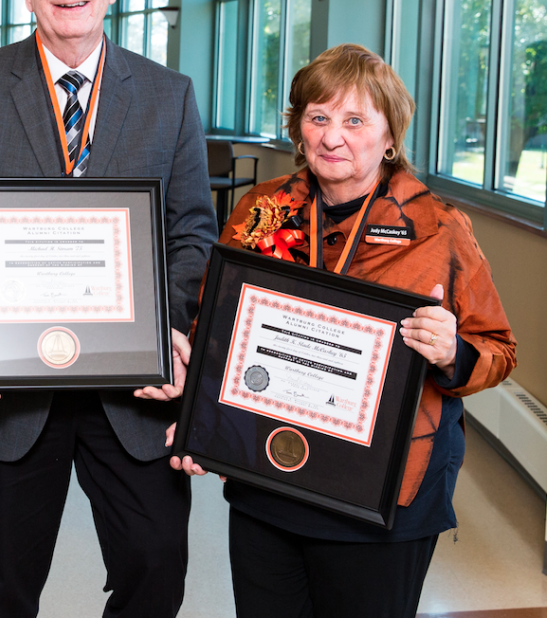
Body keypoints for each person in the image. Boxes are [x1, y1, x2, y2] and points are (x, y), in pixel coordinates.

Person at [0, 0, 217, 618]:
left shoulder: (168, 95)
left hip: (133, 394)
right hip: (8, 393)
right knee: (3, 587)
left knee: (156, 568)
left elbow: (193, 235)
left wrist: (160, 331)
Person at [168, 43, 517, 618]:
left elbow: (498, 349)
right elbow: (215, 328)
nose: (333, 137)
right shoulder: (261, 210)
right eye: (318, 117)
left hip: (382, 493)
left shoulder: (439, 228)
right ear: (299, 129)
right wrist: (198, 423)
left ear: (389, 137)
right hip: (269, 481)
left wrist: (452, 352)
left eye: (355, 120)